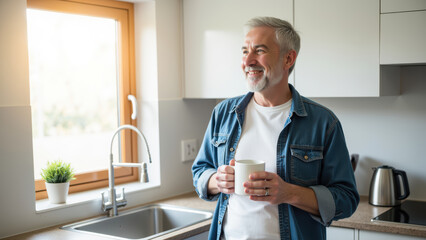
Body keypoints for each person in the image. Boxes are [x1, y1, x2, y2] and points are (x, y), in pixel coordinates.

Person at [191, 17, 359, 240]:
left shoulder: (323, 122)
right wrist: (216, 181)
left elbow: (346, 199)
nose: (248, 61)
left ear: (288, 58)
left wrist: (289, 193)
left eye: (259, 51)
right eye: (244, 51)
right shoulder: (223, 113)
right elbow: (200, 171)